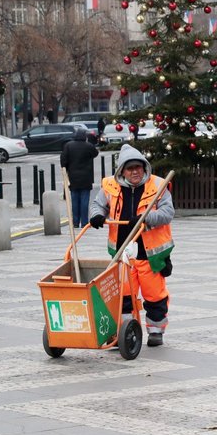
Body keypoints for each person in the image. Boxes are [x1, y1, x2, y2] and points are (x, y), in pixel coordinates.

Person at [89, 144, 174, 347]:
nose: (135, 171)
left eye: (138, 167)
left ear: (144, 168)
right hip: (122, 252)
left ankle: (155, 330)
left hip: (150, 253)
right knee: (123, 295)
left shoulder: (158, 186)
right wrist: (97, 216)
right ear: (122, 171)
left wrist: (145, 218)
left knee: (154, 295)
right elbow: (97, 205)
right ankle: (124, 333)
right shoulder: (110, 186)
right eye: (130, 168)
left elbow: (168, 213)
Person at [60, 127, 99, 228]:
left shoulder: (68, 145)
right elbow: (95, 153)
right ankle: (85, 222)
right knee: (85, 201)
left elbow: (63, 160)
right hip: (86, 177)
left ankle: (75, 222)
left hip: (73, 177)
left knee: (74, 200)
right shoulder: (88, 146)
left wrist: (66, 169)